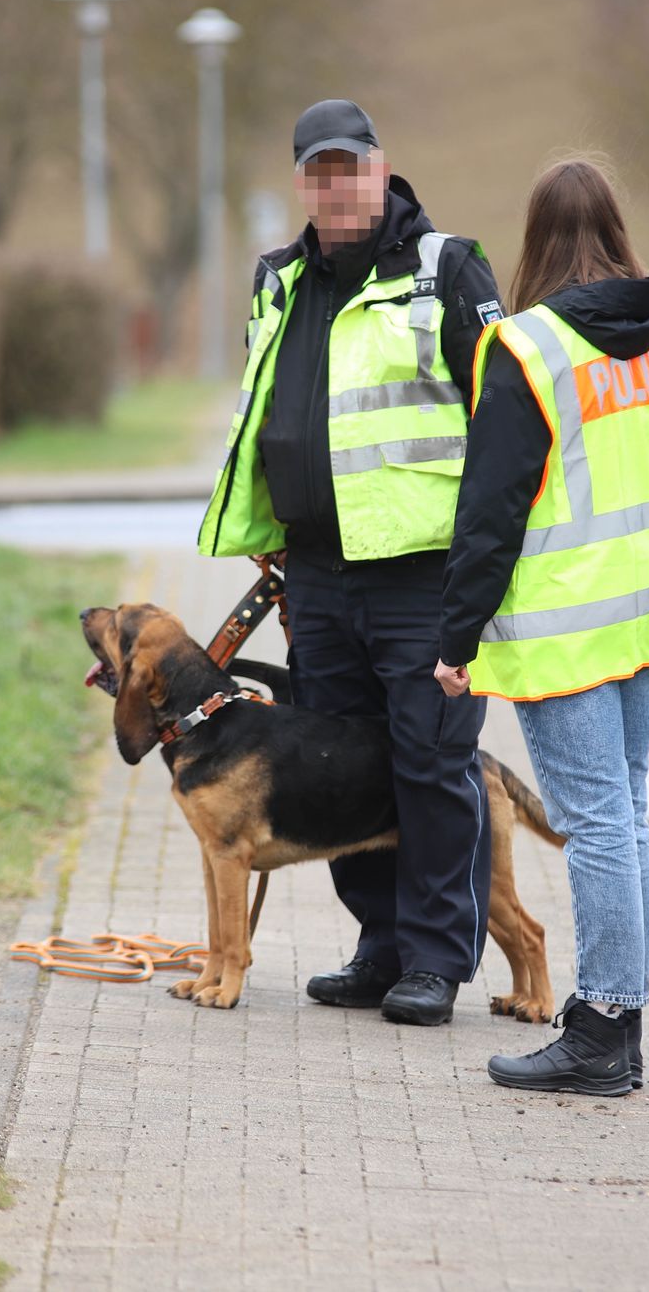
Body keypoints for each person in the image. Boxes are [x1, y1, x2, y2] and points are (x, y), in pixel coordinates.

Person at [196, 99, 508, 1026]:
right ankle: (379, 947)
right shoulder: (278, 279)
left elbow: (502, 416)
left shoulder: (445, 268)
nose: (337, 185)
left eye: (352, 166)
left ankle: (436, 961)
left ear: (382, 168)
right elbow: (268, 410)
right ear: (302, 182)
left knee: (430, 761)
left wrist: (486, 566)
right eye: (319, 170)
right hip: (319, 575)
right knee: (338, 765)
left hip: (422, 573)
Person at [433, 158, 649, 1092]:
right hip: (648, 611)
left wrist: (457, 638)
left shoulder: (530, 347)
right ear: (616, 230)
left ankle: (602, 1027)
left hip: (569, 626)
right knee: (622, 816)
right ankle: (620, 1026)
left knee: (599, 821)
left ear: (535, 241)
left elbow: (491, 510)